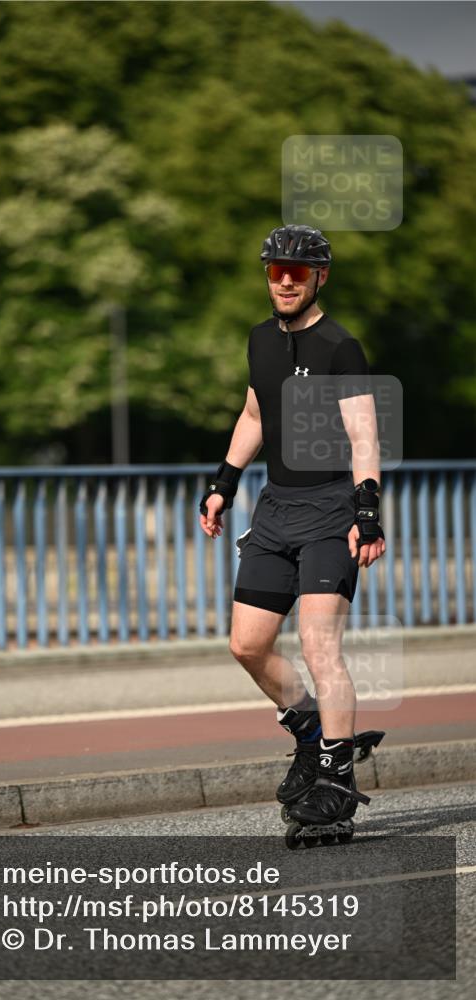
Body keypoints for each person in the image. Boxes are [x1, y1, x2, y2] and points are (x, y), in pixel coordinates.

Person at [199, 224, 386, 835]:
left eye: (297, 272)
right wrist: (224, 483)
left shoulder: (341, 347)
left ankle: (337, 782)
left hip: (332, 512)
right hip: (275, 509)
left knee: (317, 644)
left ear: (319, 277)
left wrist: (367, 512)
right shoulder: (260, 340)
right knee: (246, 645)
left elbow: (363, 435)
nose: (285, 280)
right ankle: (308, 729)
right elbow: (256, 411)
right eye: (276, 270)